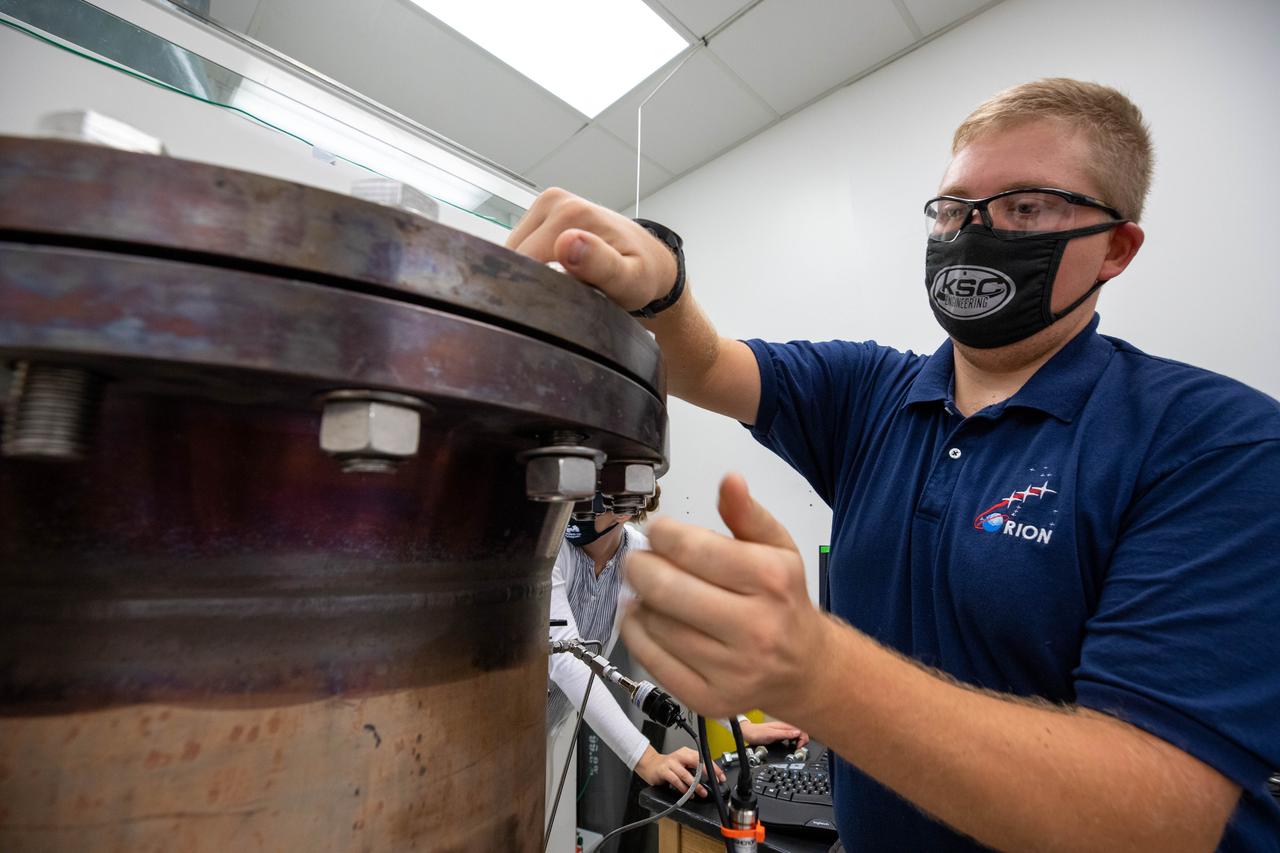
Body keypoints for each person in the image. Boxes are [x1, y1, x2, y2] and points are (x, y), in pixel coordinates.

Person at [512, 79, 1280, 851]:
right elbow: (709, 362)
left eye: (1024, 207)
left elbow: (1156, 818)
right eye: (953, 209)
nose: (974, 232)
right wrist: (661, 287)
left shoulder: (1211, 442)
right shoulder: (871, 393)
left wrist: (817, 670)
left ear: (1116, 246)